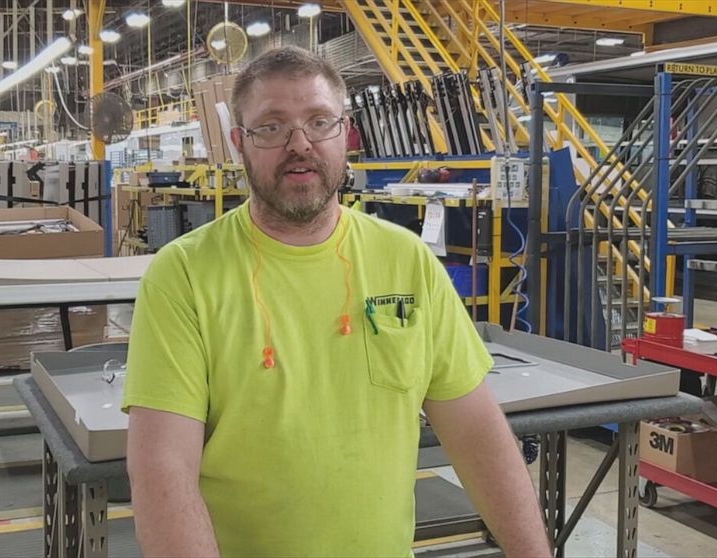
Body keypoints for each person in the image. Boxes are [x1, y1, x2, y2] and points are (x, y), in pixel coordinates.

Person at [122, 46, 551, 557]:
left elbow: (479, 436)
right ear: (240, 144)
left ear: (345, 135)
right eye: (272, 127)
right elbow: (162, 471)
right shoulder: (184, 275)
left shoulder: (406, 260)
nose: (299, 144)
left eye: (319, 122)